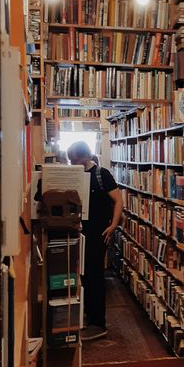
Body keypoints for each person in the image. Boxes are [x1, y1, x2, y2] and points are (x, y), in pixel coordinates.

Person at [67, 141, 122, 341]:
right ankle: (89, 316)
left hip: (99, 233)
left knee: (95, 277)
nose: (72, 164)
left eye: (75, 160)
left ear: (85, 157)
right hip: (80, 232)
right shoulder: (74, 175)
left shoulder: (101, 175)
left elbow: (118, 201)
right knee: (85, 277)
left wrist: (113, 225)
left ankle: (98, 323)